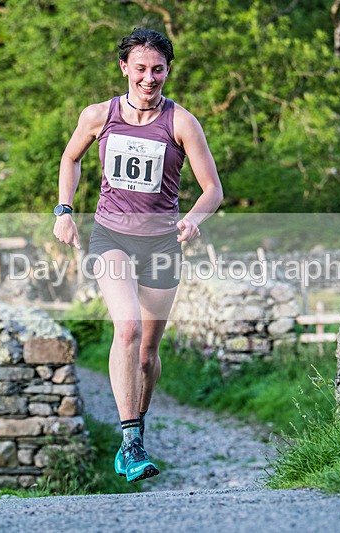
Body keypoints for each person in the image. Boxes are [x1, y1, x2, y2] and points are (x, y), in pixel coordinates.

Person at [53, 28, 223, 483]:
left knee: (147, 352)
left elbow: (213, 190)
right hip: (111, 236)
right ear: (124, 67)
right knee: (126, 327)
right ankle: (129, 444)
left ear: (167, 71)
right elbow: (71, 159)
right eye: (141, 69)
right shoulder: (99, 115)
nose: (149, 78)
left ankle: (137, 426)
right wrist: (65, 210)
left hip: (163, 244)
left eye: (158, 70)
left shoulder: (182, 122)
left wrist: (194, 219)